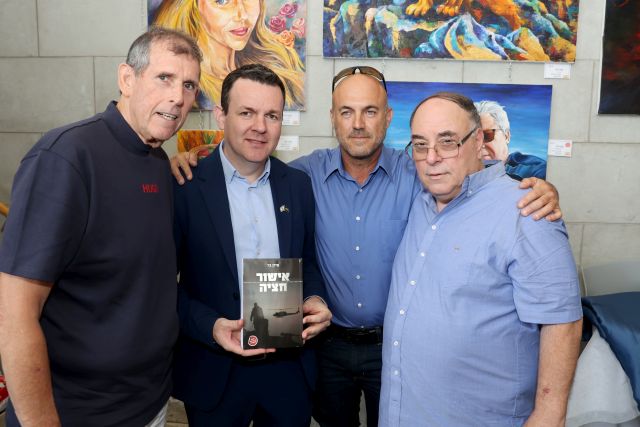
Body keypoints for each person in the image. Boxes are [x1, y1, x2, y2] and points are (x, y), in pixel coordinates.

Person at [171, 66, 563, 427]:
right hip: (325, 347)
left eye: (370, 111)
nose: (358, 124)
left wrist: (528, 189)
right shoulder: (303, 175)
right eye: (347, 112)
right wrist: (191, 158)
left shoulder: (417, 173)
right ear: (333, 118)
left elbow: (467, 178)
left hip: (392, 347)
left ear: (388, 118)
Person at [0, 27, 202, 426]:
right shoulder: (65, 158)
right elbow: (14, 314)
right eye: (164, 77)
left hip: (149, 403)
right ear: (127, 78)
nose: (178, 97)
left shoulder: (158, 162)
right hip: (79, 412)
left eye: (189, 85)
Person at [380, 92, 583, 426]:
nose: (431, 158)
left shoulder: (527, 211)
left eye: (447, 142)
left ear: (477, 141)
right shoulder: (420, 200)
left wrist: (549, 413)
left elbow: (562, 320)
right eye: (420, 144)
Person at [171, 63, 331, 426]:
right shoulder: (185, 187)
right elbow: (162, 287)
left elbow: (308, 263)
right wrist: (211, 326)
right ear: (221, 115)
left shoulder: (297, 186)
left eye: (272, 115)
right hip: (215, 370)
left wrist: (315, 300)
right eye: (246, 113)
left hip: (288, 370)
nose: (260, 126)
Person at [151, 0, 305, 109]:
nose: (242, 15)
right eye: (222, 1)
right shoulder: (188, 83)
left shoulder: (277, 62)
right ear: (194, 7)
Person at [475, 100, 548, 179]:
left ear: (506, 136)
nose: (479, 145)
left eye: (487, 135)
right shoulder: (468, 172)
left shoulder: (535, 171)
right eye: (473, 139)